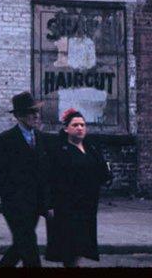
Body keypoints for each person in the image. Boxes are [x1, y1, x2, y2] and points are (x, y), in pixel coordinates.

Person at [0, 91, 52, 267]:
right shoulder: (5, 140)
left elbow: (45, 173)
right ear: (18, 116)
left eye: (36, 112)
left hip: (35, 205)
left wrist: (47, 203)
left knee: (20, 246)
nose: (35, 116)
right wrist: (12, 196)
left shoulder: (40, 138)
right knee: (30, 248)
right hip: (15, 205)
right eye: (31, 112)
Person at [45, 108, 112, 267]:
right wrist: (48, 205)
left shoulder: (91, 148)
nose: (80, 128)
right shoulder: (58, 150)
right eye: (75, 125)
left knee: (82, 245)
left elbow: (101, 171)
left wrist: (107, 174)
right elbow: (49, 179)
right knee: (69, 246)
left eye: (82, 125)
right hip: (66, 205)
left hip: (87, 205)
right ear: (66, 128)